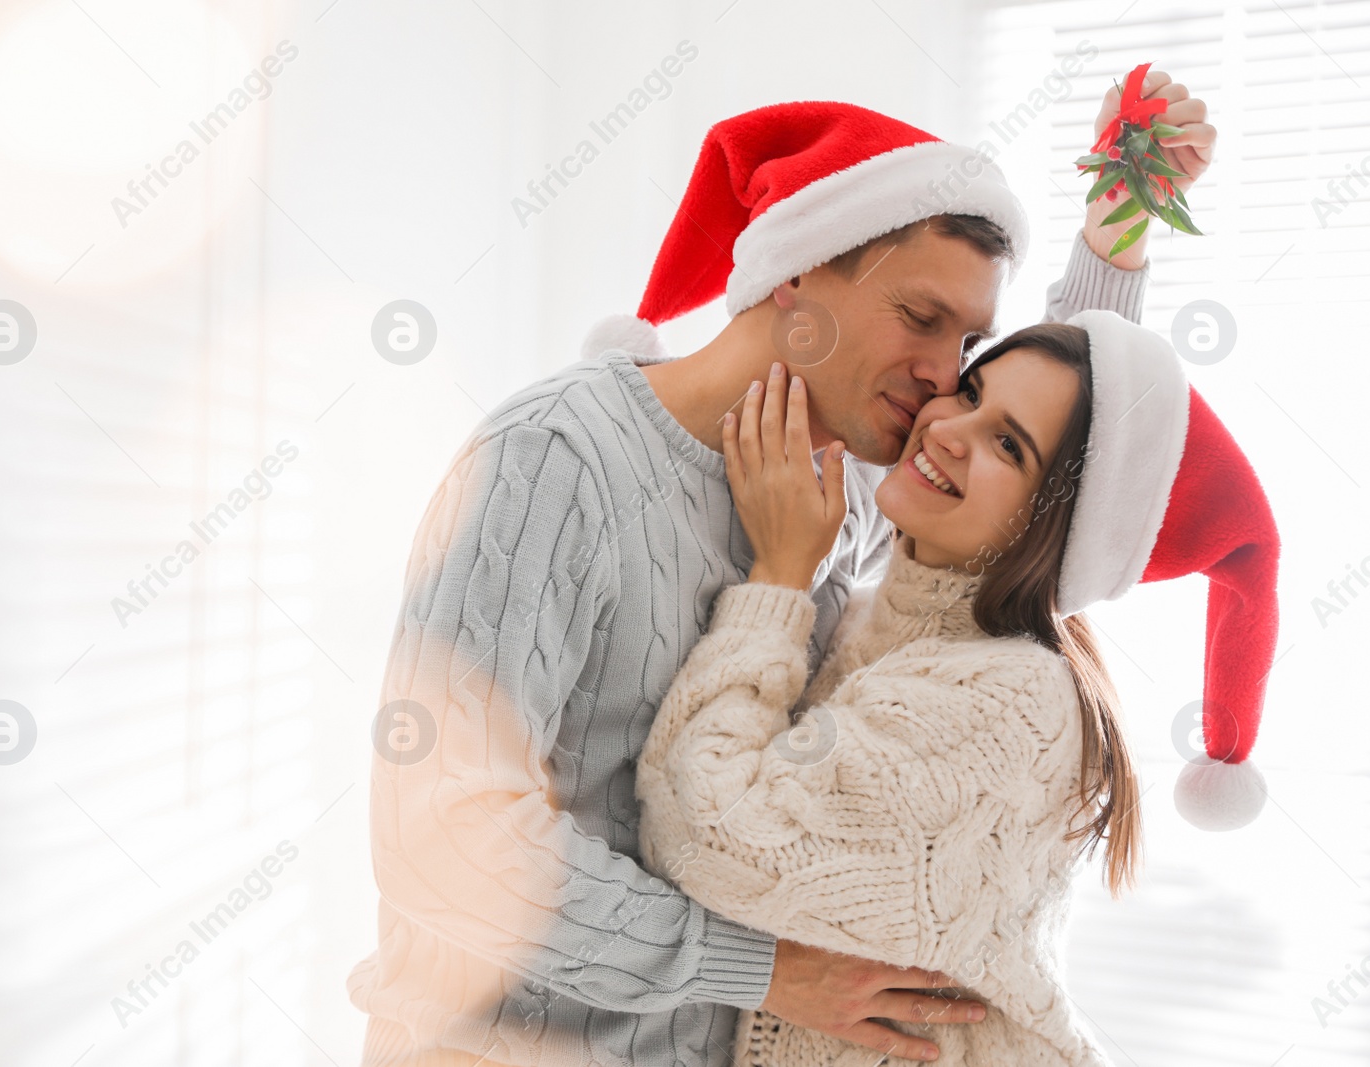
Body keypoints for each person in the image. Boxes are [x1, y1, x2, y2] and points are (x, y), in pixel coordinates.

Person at [349, 75, 1219, 1067]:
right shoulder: (556, 461)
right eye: (920, 316)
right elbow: (437, 837)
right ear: (796, 279)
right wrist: (757, 965)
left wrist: (1115, 236)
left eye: (968, 342)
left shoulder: (836, 499)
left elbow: (1045, 491)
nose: (945, 377)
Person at [637, 310, 1280, 1066]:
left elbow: (704, 831)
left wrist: (779, 574)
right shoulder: (886, 623)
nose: (947, 428)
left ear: (1062, 526)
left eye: (1007, 443)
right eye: (969, 392)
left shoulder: (1014, 703)